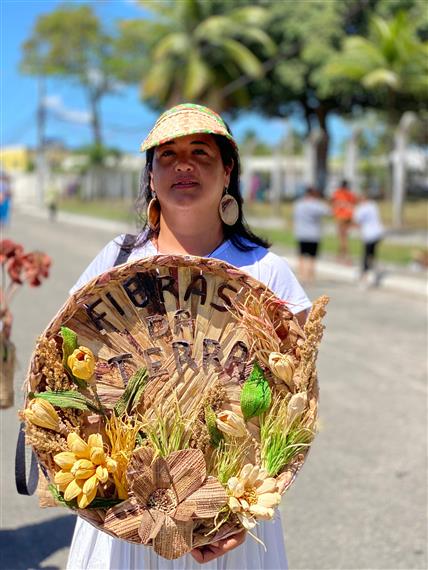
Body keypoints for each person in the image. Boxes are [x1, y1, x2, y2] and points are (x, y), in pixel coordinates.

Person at [66, 103, 312, 570]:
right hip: (128, 513)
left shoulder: (266, 271)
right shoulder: (116, 260)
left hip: (230, 510)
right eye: (168, 155)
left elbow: (295, 404)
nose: (184, 165)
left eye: (201, 152)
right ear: (151, 175)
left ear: (227, 171)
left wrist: (239, 512)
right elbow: (68, 367)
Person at [293, 186, 330, 283]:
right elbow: (328, 212)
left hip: (301, 233)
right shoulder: (317, 204)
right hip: (314, 234)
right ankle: (310, 277)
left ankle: (302, 275)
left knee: (301, 255)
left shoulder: (299, 204)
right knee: (312, 257)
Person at [353, 192, 384, 287]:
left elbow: (357, 221)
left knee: (366, 256)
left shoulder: (360, 208)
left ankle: (364, 278)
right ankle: (374, 274)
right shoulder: (373, 205)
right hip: (378, 232)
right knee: (372, 255)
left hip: (369, 234)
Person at [331, 179, 357, 263]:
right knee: (344, 237)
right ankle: (340, 255)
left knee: (342, 238)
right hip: (349, 216)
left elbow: (334, 203)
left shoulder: (337, 193)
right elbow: (353, 204)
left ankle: (346, 257)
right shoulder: (350, 194)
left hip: (340, 216)